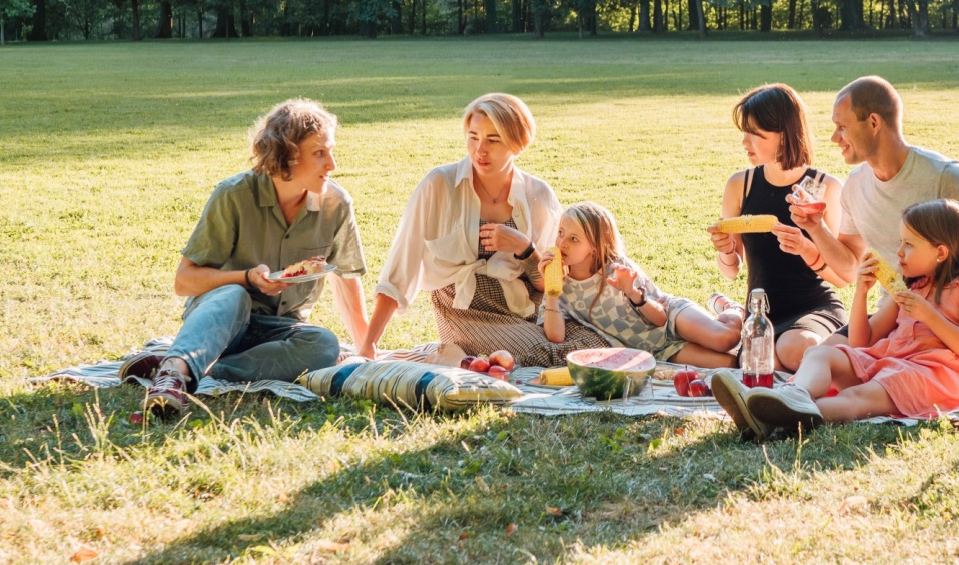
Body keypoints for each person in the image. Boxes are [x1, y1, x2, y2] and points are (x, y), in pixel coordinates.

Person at [123, 99, 368, 419]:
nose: (332, 164)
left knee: (323, 344)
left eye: (331, 151)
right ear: (287, 154)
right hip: (220, 320)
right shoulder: (233, 195)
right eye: (319, 153)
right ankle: (172, 375)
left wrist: (367, 349)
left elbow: (346, 278)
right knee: (235, 295)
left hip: (278, 331)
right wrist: (246, 278)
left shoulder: (336, 203)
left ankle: (195, 367)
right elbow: (185, 282)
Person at [712, 199, 959, 437]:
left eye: (909, 244)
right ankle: (792, 396)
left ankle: (774, 418)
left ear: (941, 253)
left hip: (934, 376)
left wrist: (930, 316)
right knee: (820, 354)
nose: (899, 252)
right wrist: (861, 292)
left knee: (854, 399)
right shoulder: (913, 286)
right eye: (901, 242)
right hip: (890, 363)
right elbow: (861, 342)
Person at [361, 93, 610, 366]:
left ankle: (459, 359)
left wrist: (525, 249)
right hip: (465, 310)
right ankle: (446, 357)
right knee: (545, 355)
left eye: (493, 140)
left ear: (517, 143)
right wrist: (369, 343)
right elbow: (400, 266)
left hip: (529, 305)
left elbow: (548, 282)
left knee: (597, 344)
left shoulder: (538, 194)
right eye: (473, 137)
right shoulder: (439, 185)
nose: (480, 150)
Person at [795, 75, 959, 285]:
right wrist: (816, 228)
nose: (834, 138)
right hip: (895, 306)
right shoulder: (855, 186)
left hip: (952, 306)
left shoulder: (945, 176)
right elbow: (850, 267)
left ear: (873, 122)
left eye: (842, 127)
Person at [709, 84, 853, 370]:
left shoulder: (825, 187)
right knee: (763, 364)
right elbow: (731, 271)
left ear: (784, 135)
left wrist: (806, 248)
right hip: (760, 314)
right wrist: (726, 251)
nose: (745, 142)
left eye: (755, 134)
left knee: (793, 349)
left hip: (814, 309)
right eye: (744, 133)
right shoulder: (740, 185)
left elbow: (841, 278)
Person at [542, 202, 738, 367]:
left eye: (574, 239)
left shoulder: (617, 267)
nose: (561, 243)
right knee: (732, 363)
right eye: (560, 233)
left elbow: (660, 318)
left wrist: (632, 292)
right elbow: (555, 336)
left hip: (671, 317)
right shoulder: (560, 286)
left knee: (726, 339)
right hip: (657, 349)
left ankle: (732, 309)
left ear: (594, 246)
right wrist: (551, 290)